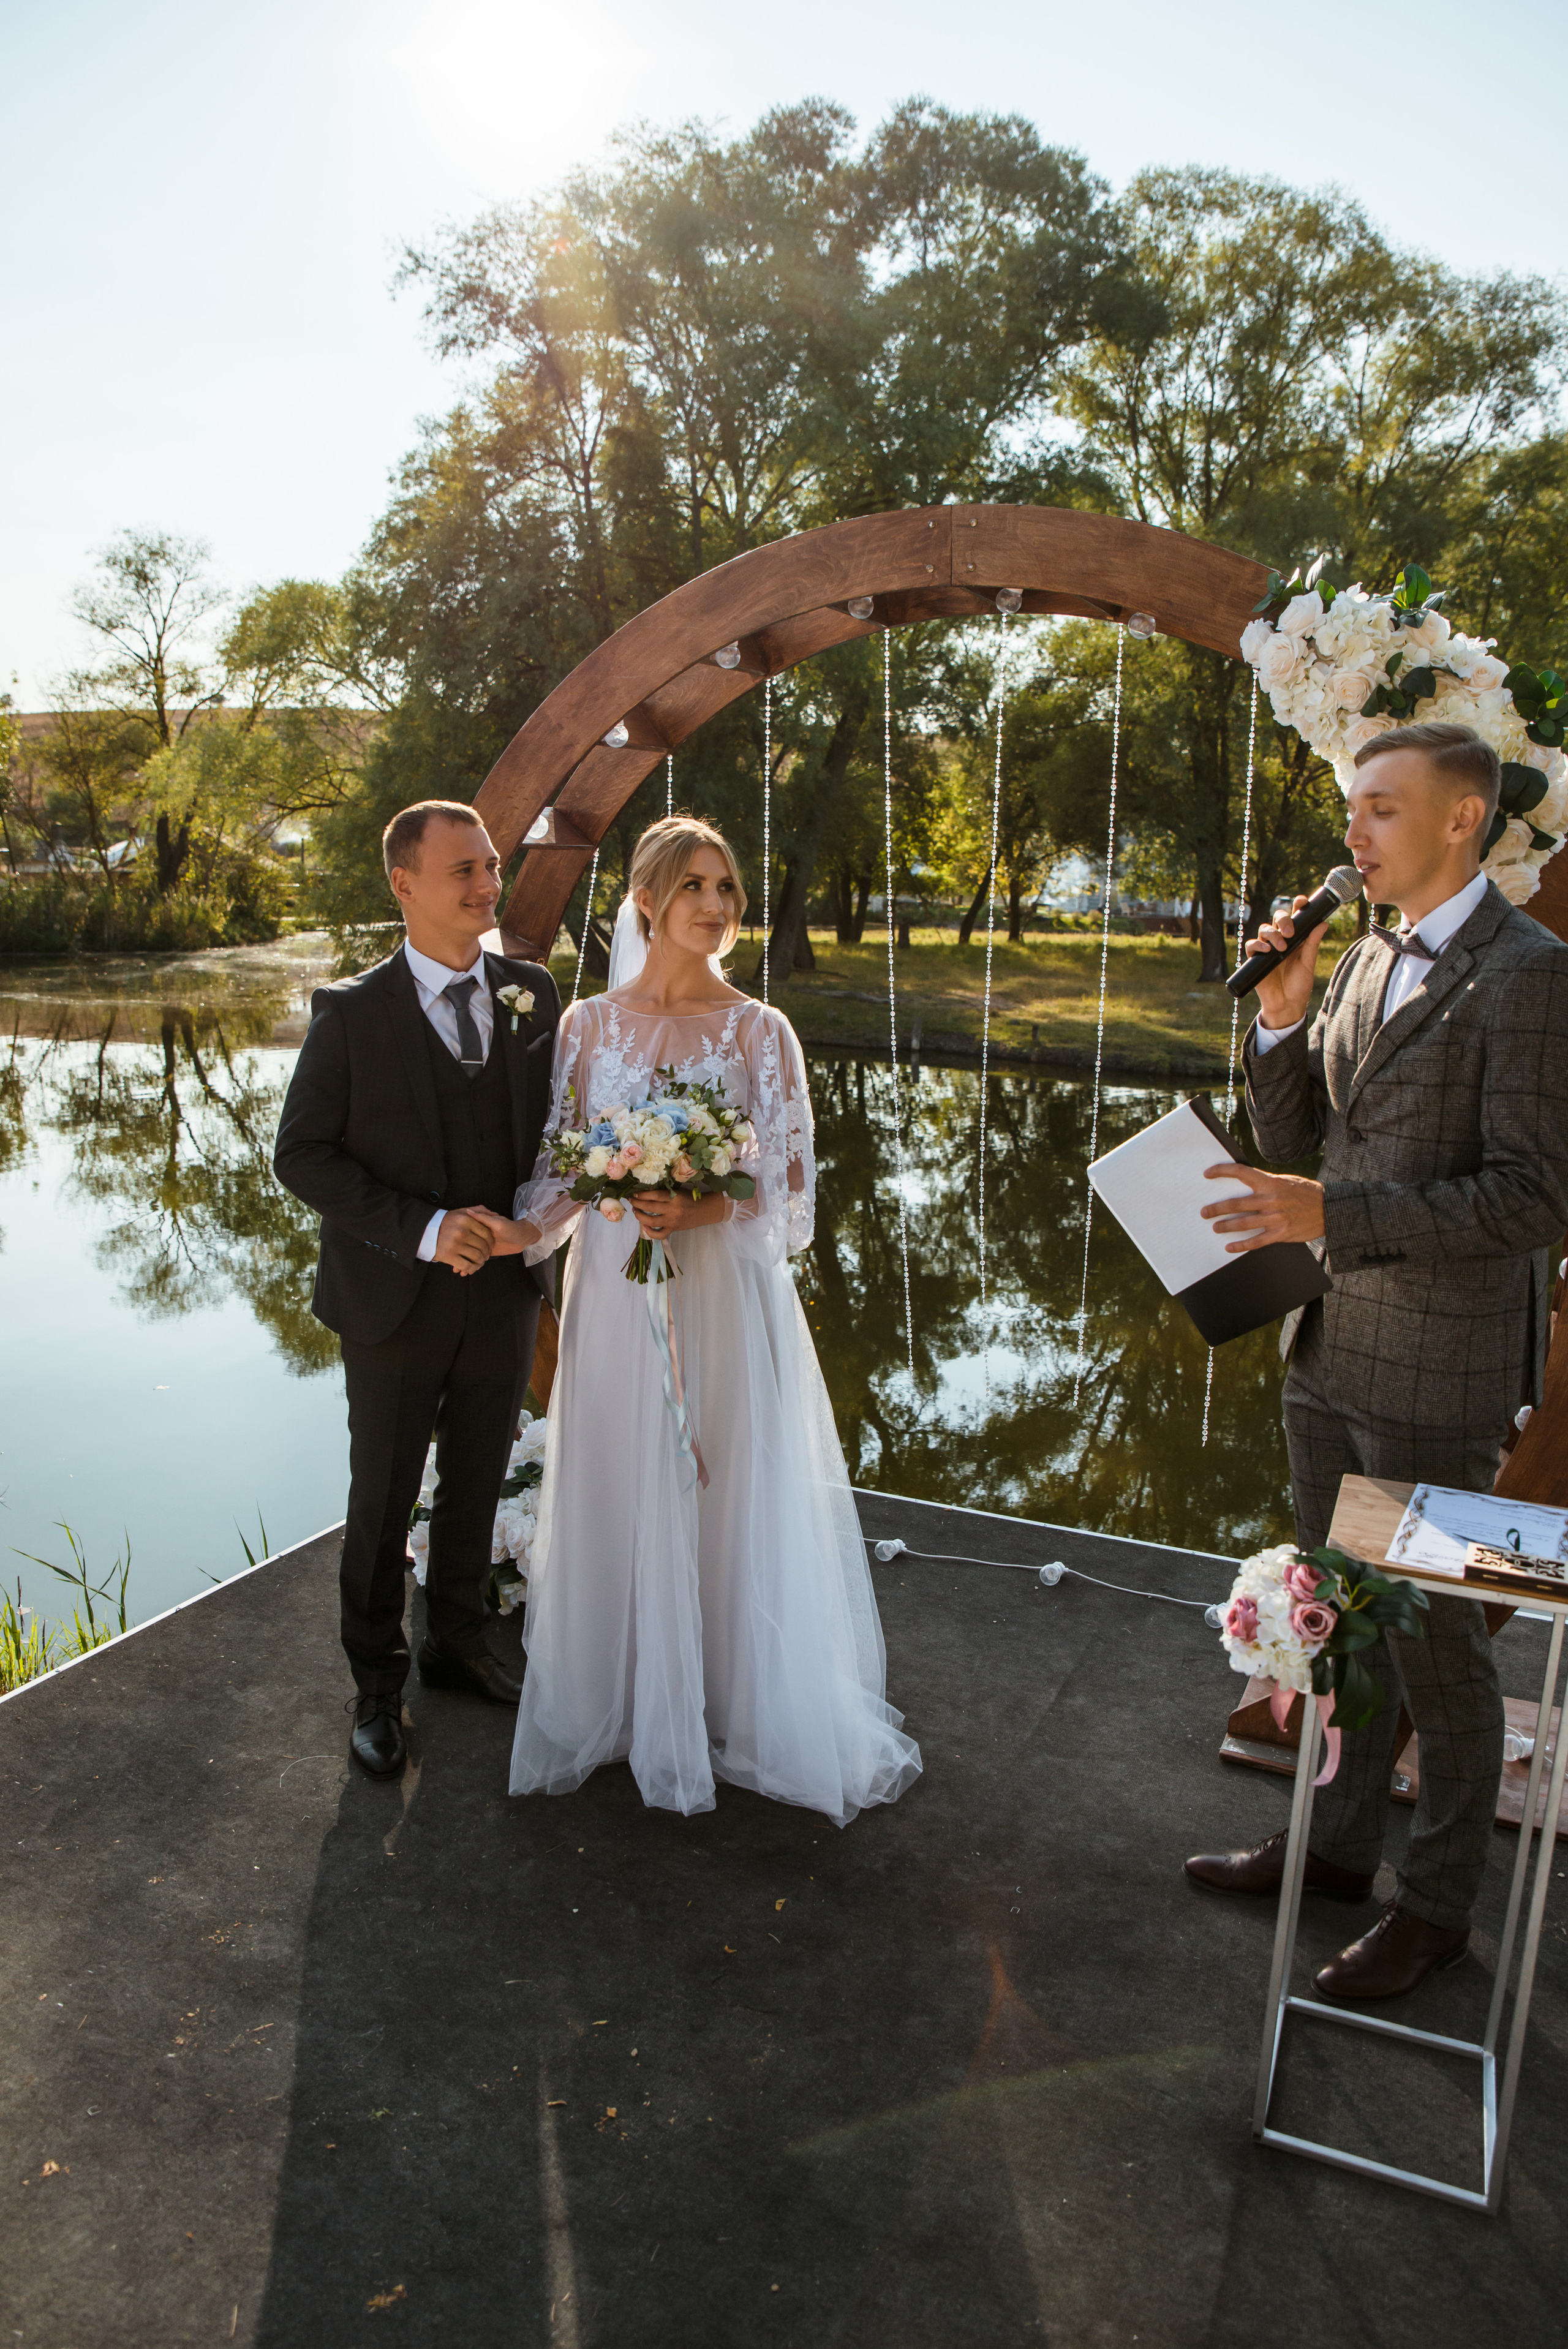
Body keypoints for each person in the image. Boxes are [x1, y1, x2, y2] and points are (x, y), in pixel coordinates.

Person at [1184, 722, 1568, 1997]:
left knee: (1441, 1656)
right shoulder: (1356, 958)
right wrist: (1281, 1017)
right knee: (1338, 1625)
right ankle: (1336, 1851)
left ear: (1462, 819)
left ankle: (1437, 1910)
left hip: (1442, 1374)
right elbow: (1294, 1140)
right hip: (1328, 1343)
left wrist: (1328, 1215)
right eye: (1353, 807)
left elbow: (1531, 1198)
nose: (1352, 833)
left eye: (1381, 809)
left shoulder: (1531, 976)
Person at [470, 815, 922, 1825]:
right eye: (694, 887)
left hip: (718, 1290)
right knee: (618, 1465)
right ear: (647, 899)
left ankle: (728, 1694)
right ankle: (623, 1694)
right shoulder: (587, 1026)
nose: (716, 907)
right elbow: (561, 1165)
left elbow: (790, 1192)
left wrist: (703, 1207)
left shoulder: (760, 1030)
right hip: (614, 1289)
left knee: (719, 1474)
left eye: (726, 889)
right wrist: (519, 1234)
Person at [274, 800, 560, 1779]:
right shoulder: (351, 1013)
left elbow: (556, 1137)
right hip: (393, 1298)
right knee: (386, 1492)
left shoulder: (532, 992)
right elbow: (302, 1154)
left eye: (492, 866)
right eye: (465, 871)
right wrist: (426, 1230)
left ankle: (457, 1642)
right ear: (405, 884)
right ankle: (375, 1685)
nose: (489, 885)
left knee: (478, 1474)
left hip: (506, 1291)